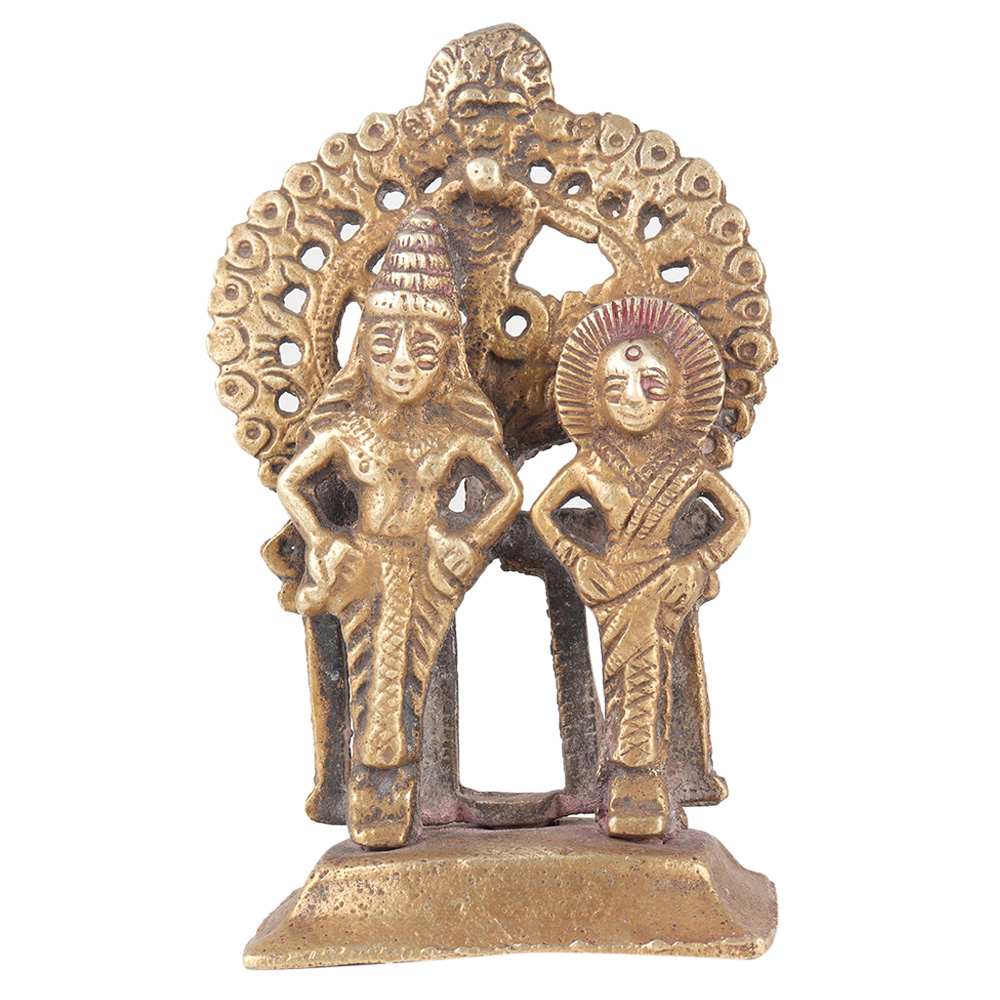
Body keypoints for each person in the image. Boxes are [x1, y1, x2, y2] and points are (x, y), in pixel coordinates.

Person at [277, 209, 522, 849]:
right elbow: (293, 482)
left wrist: (469, 539)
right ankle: (374, 783)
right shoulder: (347, 427)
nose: (403, 365)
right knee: (368, 668)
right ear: (362, 350)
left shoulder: (454, 428)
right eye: (385, 347)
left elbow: (508, 489)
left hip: (426, 565)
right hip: (363, 562)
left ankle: (399, 781)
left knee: (410, 667)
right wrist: (323, 538)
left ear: (449, 359)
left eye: (424, 349)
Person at [531, 297, 748, 839]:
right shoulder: (591, 464)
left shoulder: (685, 465)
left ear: (679, 396)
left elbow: (737, 518)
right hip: (612, 583)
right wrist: (579, 560)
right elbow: (542, 513)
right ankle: (625, 775)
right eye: (616, 388)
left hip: (661, 581)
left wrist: (695, 564)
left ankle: (640, 775)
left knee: (650, 670)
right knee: (622, 671)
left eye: (651, 385)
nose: (633, 399)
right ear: (594, 399)